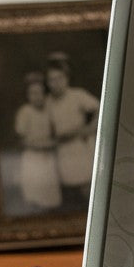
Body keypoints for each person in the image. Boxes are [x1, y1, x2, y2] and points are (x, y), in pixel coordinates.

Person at [44, 52, 99, 208]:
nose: (56, 83)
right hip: (61, 150)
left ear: (67, 78)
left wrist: (89, 128)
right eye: (51, 80)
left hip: (80, 147)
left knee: (87, 189)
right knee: (67, 192)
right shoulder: (47, 102)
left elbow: (99, 109)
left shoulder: (77, 95)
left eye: (59, 78)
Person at [14, 71, 62, 211]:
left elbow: (55, 132)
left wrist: (52, 144)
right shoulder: (25, 112)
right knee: (34, 195)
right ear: (28, 95)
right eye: (33, 93)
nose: (37, 97)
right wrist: (39, 146)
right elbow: (21, 141)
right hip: (32, 158)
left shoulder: (49, 110)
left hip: (48, 158)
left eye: (40, 93)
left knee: (49, 196)